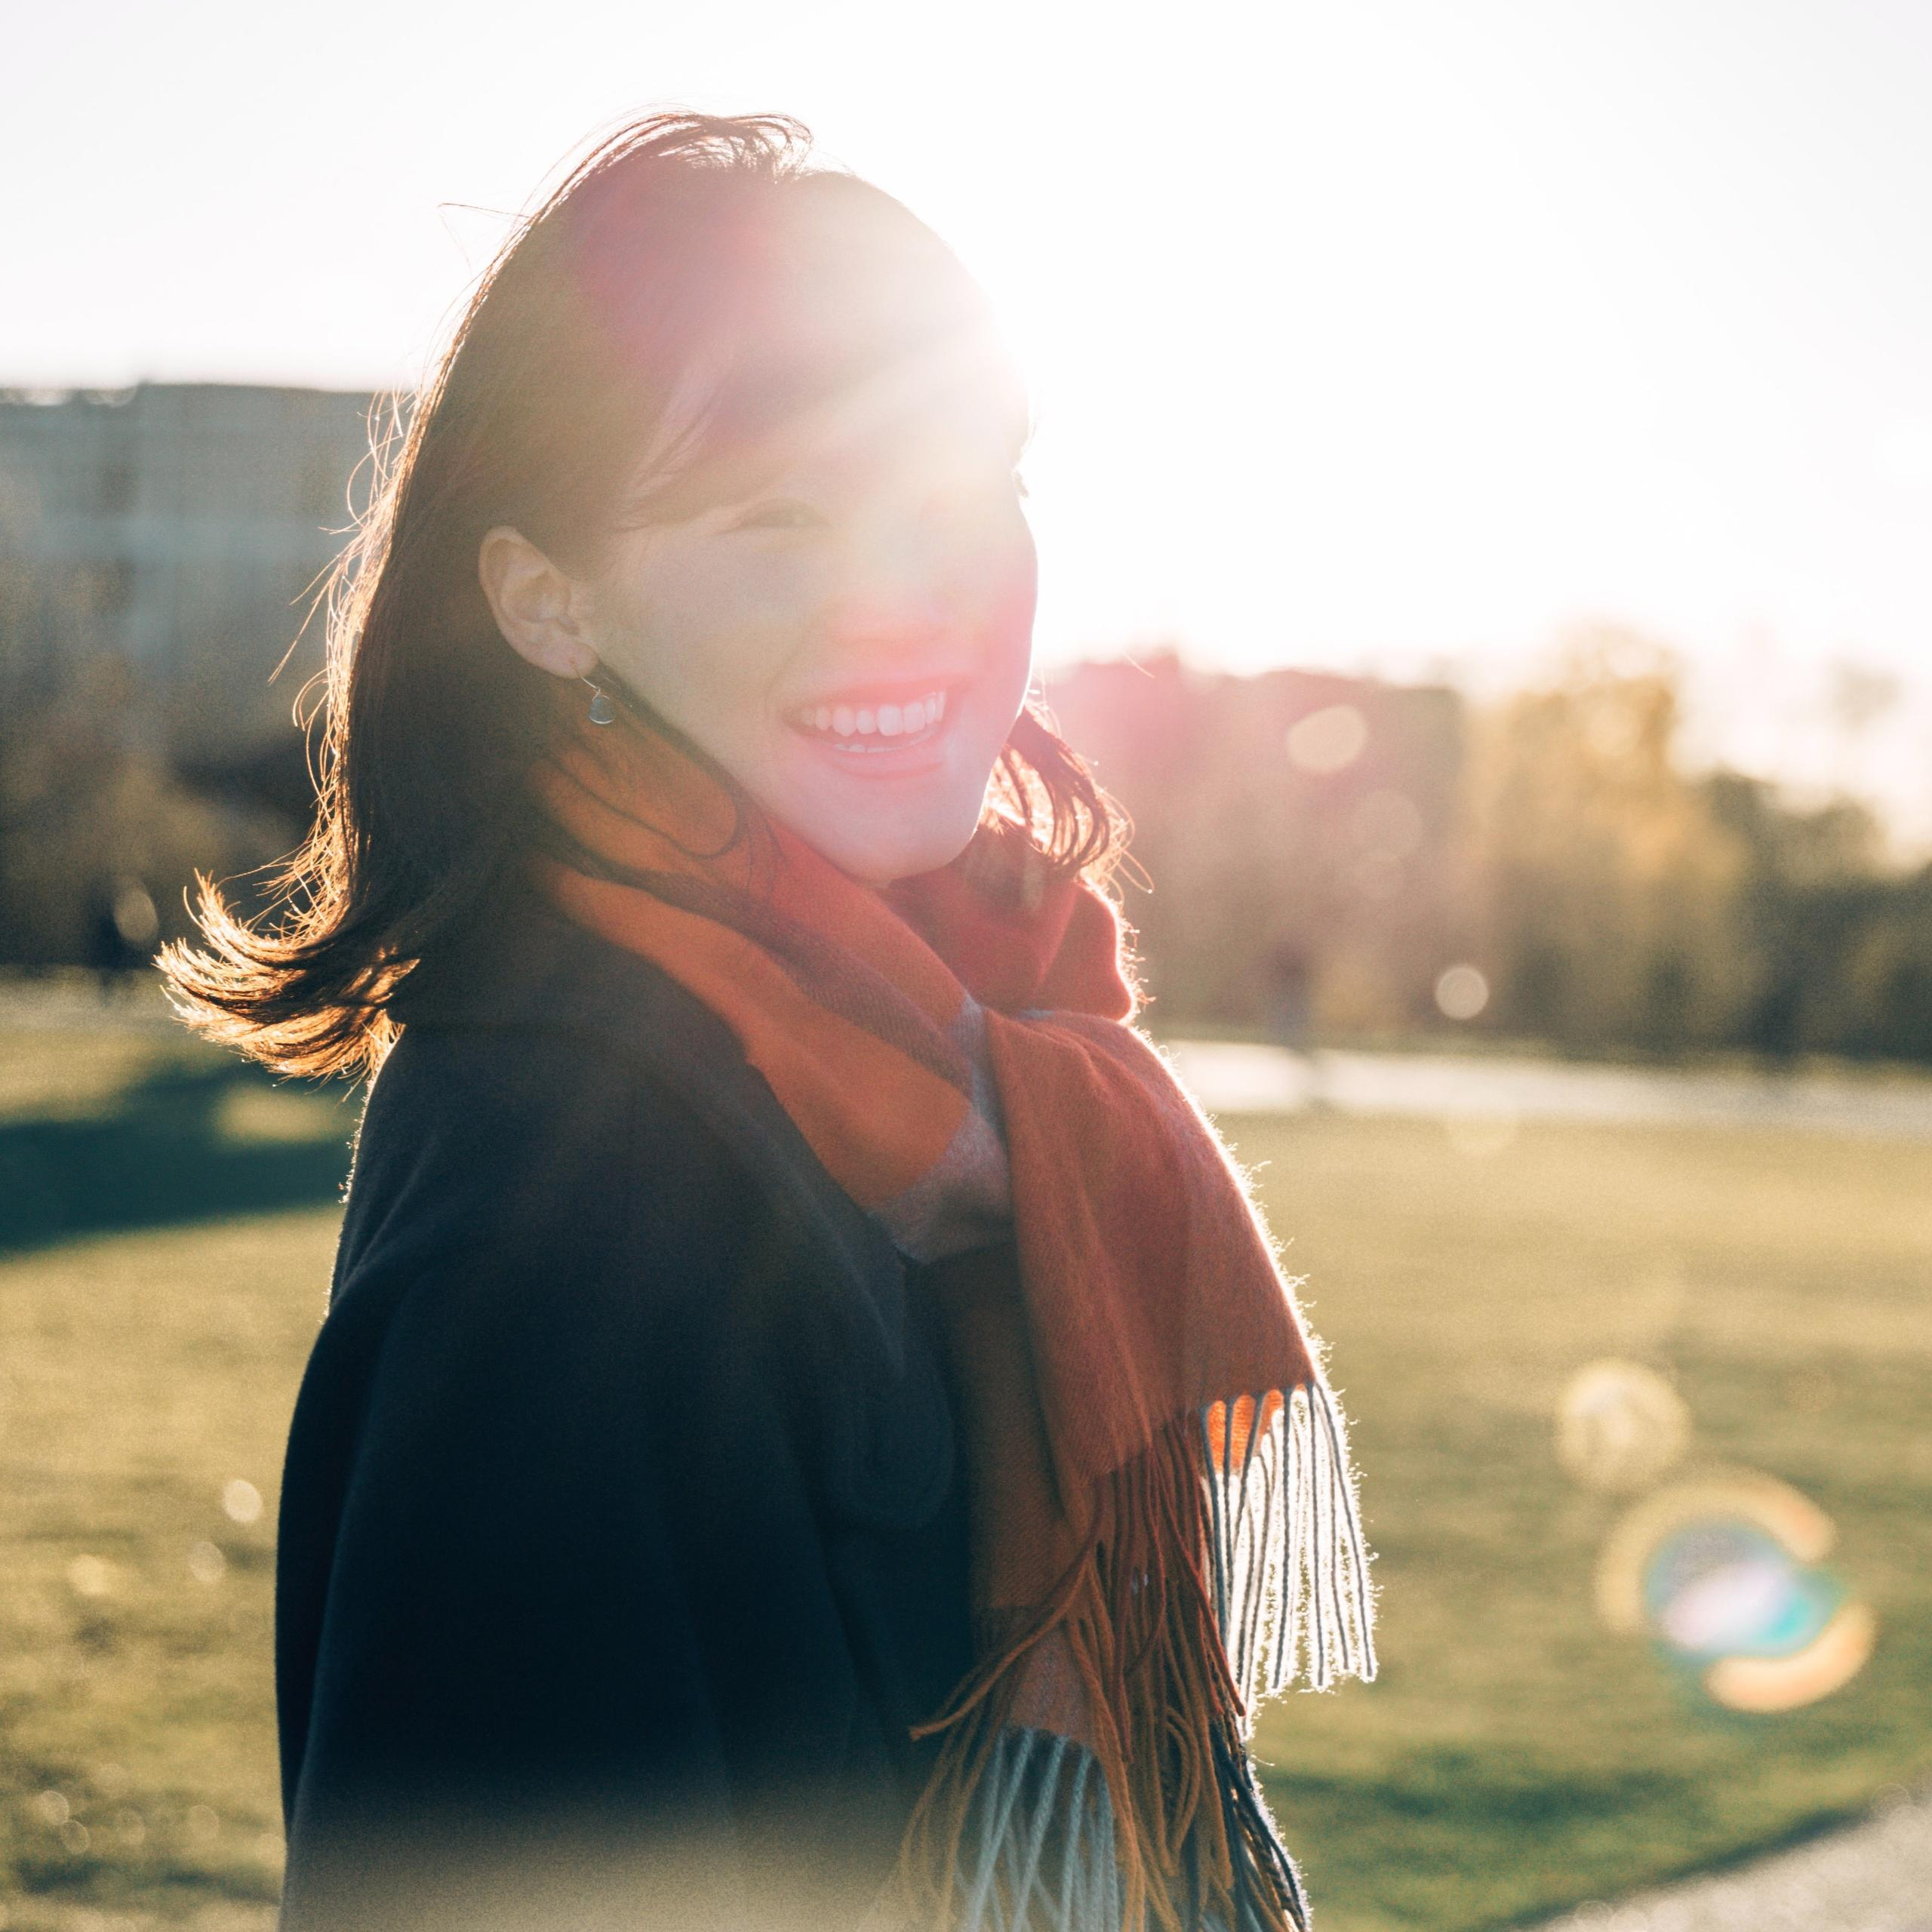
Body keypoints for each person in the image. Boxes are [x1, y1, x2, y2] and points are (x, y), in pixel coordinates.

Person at [162, 112, 1376, 1932]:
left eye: (963, 489)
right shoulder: (562, 1205)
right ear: (548, 600)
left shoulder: (970, 1068)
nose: (912, 596)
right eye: (777, 513)